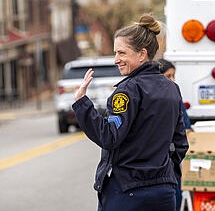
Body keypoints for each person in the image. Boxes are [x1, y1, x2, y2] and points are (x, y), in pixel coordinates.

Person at [72, 13, 188, 211]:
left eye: (122, 53)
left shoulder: (128, 90)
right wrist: (163, 174)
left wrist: (82, 104)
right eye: (116, 53)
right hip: (164, 193)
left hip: (128, 192)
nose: (116, 59)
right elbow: (180, 144)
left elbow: (109, 136)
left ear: (142, 54)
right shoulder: (171, 88)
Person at [158, 58, 191, 210]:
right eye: (168, 76)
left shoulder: (174, 97)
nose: (173, 80)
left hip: (170, 162)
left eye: (173, 75)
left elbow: (186, 129)